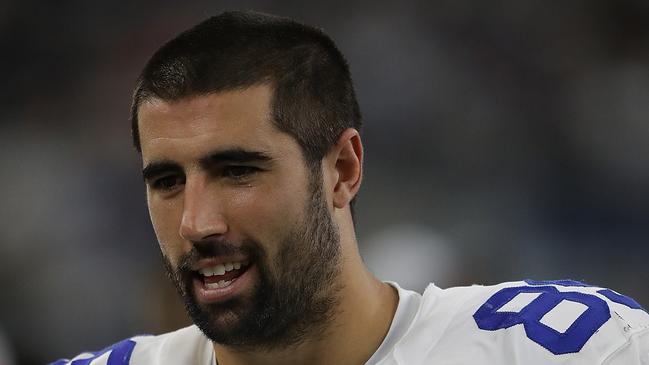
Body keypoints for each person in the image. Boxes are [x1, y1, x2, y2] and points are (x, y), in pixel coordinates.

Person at [51, 11, 649, 365]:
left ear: (342, 169)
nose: (196, 222)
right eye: (167, 180)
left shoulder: (565, 350)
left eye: (238, 171)